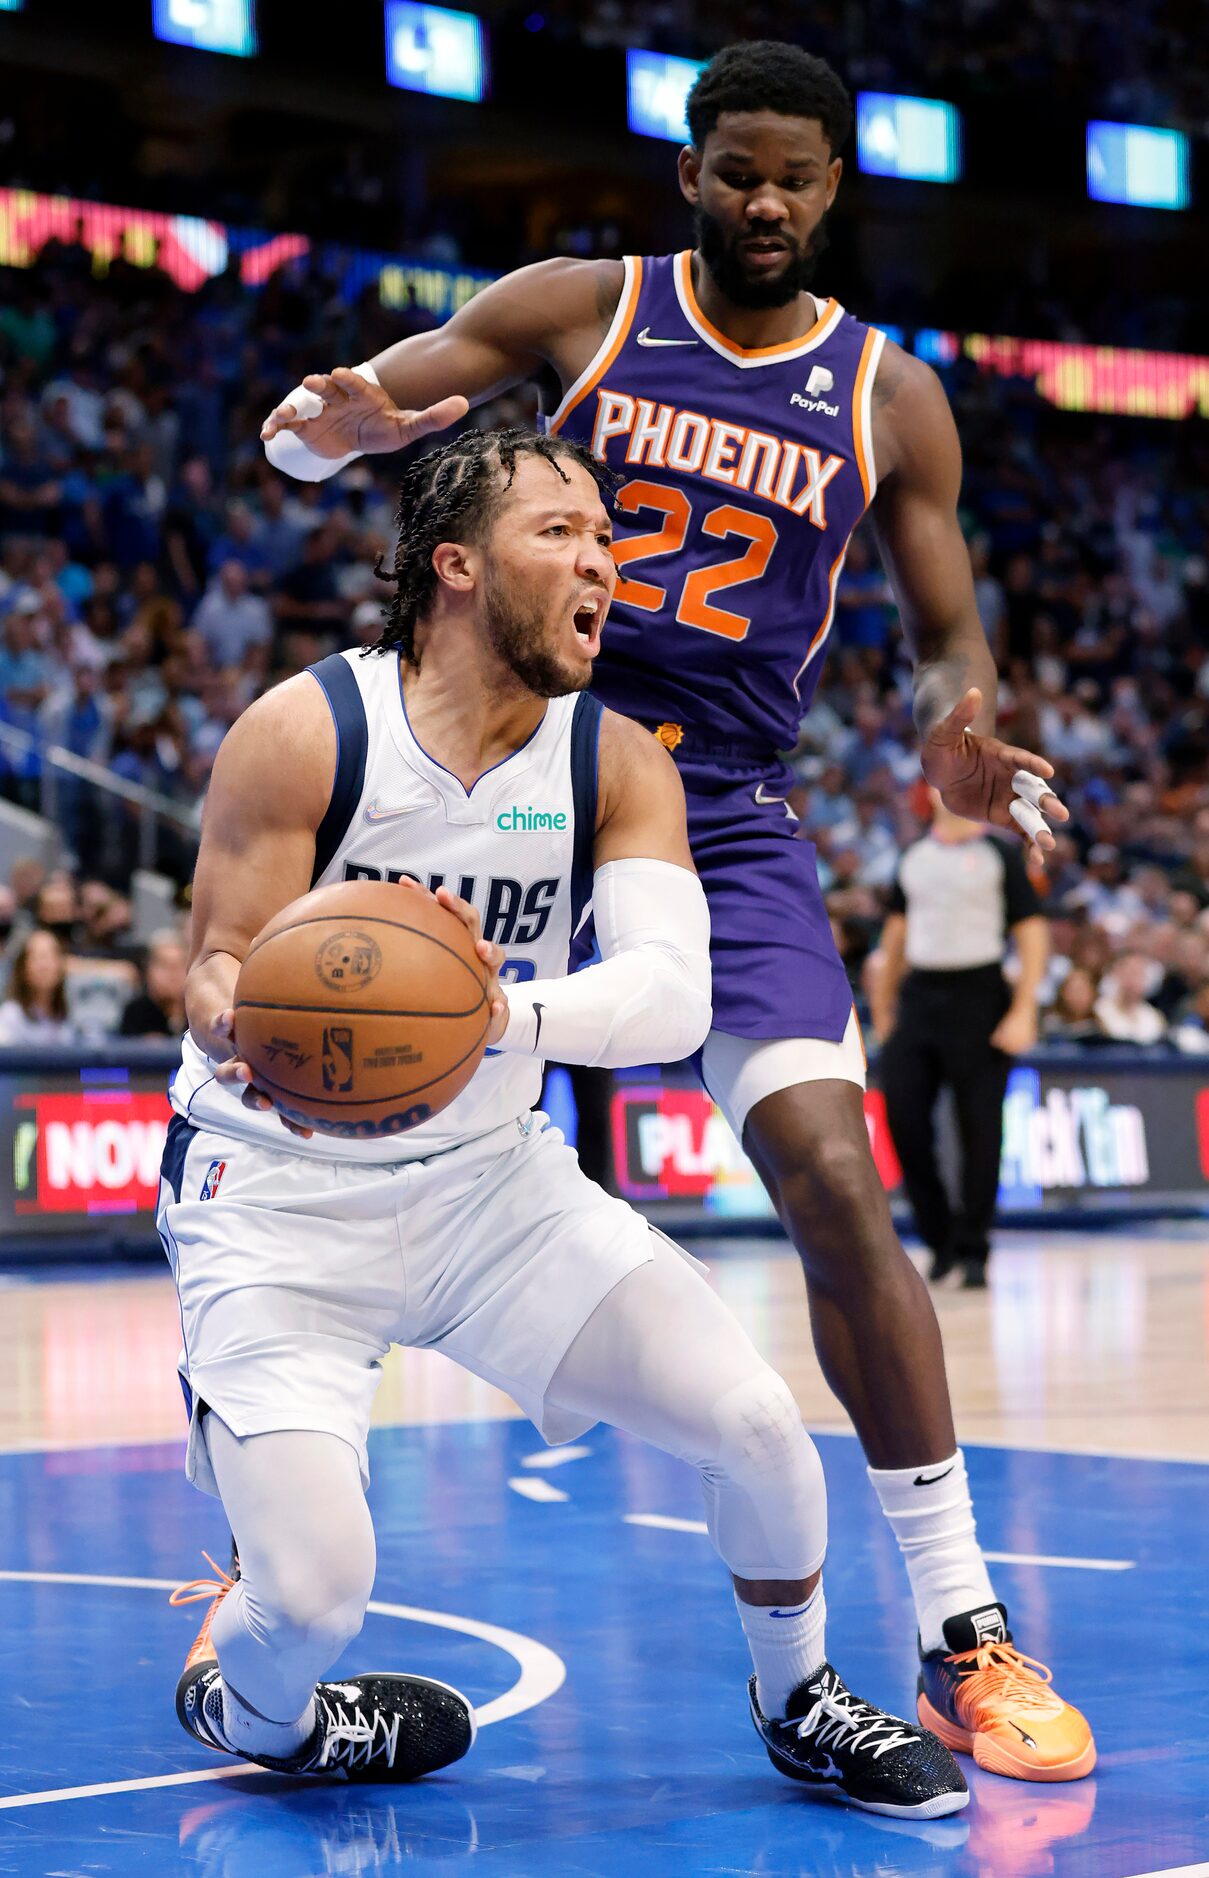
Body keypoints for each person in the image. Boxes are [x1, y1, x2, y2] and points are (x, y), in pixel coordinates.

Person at [258, 42, 1093, 1782]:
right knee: (318, 1118)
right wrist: (321, 428)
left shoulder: (890, 396)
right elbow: (374, 409)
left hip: (713, 804)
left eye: (793, 177)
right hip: (509, 757)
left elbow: (948, 624)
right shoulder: (585, 308)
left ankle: (961, 1629)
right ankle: (262, 1550)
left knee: (831, 1175)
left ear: (830, 187)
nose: (763, 202)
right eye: (735, 172)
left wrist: (956, 718)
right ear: (689, 169)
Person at [164, 430, 966, 1812]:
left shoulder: (614, 760)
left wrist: (493, 1018)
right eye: (564, 532)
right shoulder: (310, 728)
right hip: (279, 1196)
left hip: (492, 1184)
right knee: (308, 1600)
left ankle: (799, 1697)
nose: (605, 558)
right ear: (456, 566)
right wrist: (252, 1016)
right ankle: (264, 1713)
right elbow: (214, 965)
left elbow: (667, 998)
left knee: (759, 1421)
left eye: (609, 537)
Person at [870, 789, 1048, 1288]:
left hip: (981, 992)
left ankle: (973, 1248)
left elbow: (1032, 932)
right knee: (902, 1118)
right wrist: (884, 1009)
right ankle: (938, 1238)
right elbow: (895, 937)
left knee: (981, 1130)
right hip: (921, 996)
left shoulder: (999, 855)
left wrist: (1024, 1008)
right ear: (928, 791)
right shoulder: (913, 858)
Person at [0, 927, 77, 1045]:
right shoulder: (10, 1017)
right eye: (37, 957)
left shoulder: (71, 1016)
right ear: (22, 968)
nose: (44, 966)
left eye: (51, 956)